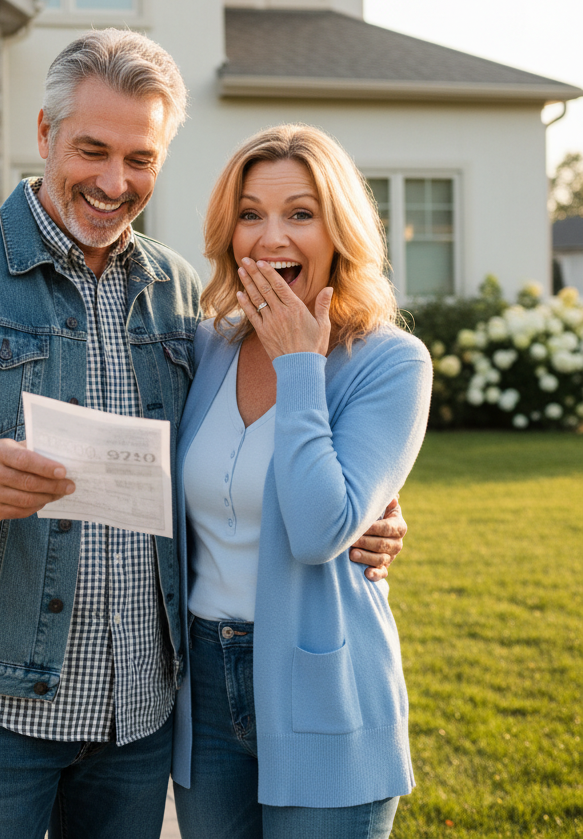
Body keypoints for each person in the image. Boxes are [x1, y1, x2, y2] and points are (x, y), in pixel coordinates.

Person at [0, 32, 406, 839]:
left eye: (140, 159)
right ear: (44, 134)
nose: (114, 184)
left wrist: (376, 508)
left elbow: (246, 449)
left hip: (141, 713)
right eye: (92, 150)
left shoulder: (180, 296)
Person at [171, 124, 433, 839]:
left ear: (339, 229)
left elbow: (321, 531)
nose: (271, 237)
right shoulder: (209, 345)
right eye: (251, 214)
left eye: (300, 213)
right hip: (205, 690)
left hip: (327, 694)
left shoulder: (392, 362)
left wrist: (299, 365)